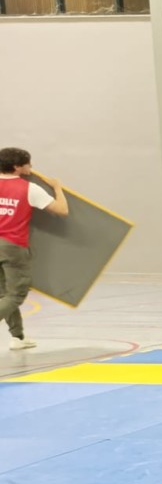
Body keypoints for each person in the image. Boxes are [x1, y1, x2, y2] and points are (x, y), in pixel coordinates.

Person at [0, 148, 68, 351]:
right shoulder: (29, 189)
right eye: (28, 163)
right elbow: (62, 210)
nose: (31, 167)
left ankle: (18, 337)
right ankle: (18, 337)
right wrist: (57, 188)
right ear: (17, 167)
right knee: (16, 295)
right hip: (12, 246)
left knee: (4, 295)